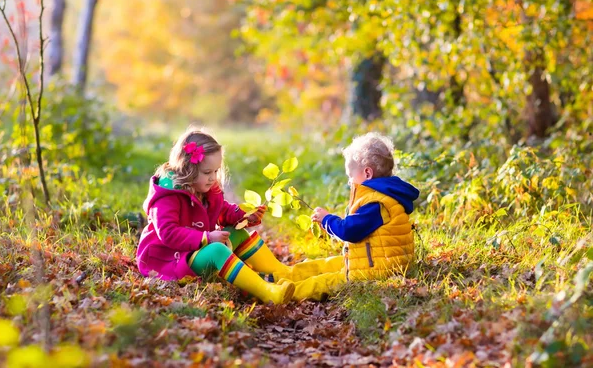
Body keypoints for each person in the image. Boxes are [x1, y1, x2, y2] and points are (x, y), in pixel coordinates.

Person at [136, 128, 295, 304]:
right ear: (187, 168)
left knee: (238, 232)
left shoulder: (206, 189)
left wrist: (245, 216)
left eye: (215, 171)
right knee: (217, 250)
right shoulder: (168, 196)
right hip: (170, 260)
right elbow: (168, 233)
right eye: (207, 172)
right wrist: (207, 238)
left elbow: (222, 210)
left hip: (193, 251)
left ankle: (279, 272)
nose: (212, 178)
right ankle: (267, 291)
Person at [273, 132, 420, 301]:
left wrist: (327, 219)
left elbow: (349, 231)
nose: (349, 182)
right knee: (326, 264)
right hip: (374, 262)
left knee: (322, 282)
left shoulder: (376, 203)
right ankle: (281, 275)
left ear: (367, 173)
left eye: (351, 176)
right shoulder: (385, 195)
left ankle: (282, 293)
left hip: (375, 271)